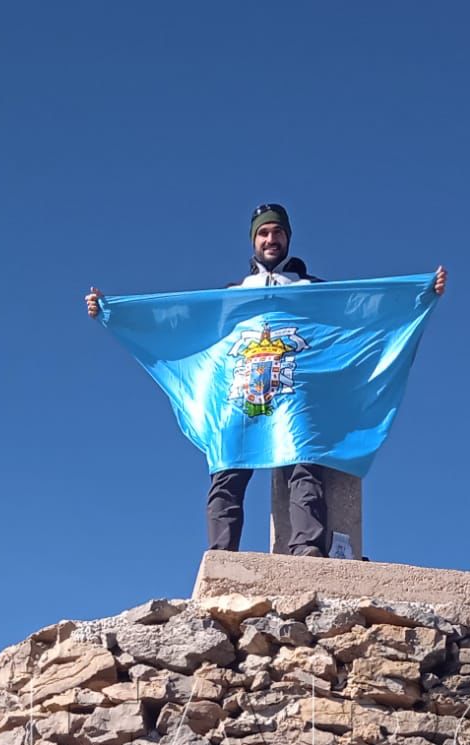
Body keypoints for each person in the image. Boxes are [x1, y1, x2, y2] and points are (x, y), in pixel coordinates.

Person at [86, 203, 446, 555]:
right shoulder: (232, 293)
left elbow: (359, 311)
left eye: (277, 232)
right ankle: (222, 555)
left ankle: (307, 549)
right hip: (239, 392)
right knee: (227, 469)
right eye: (263, 233)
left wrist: (421, 293)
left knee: (304, 464)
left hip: (295, 393)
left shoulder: (311, 289)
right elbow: (178, 320)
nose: (271, 239)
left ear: (288, 238)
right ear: (253, 240)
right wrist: (114, 313)